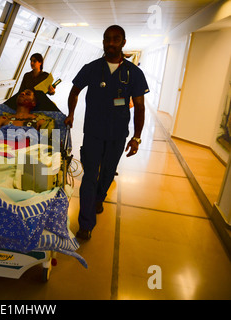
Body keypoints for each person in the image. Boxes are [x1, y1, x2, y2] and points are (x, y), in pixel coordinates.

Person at [64, 25, 149, 240]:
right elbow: (74, 91)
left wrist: (136, 137)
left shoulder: (134, 73)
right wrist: (71, 113)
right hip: (92, 131)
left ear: (123, 42)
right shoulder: (91, 68)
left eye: (115, 39)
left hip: (117, 134)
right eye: (107, 39)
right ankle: (86, 224)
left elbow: (139, 106)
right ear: (103, 42)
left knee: (108, 174)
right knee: (90, 176)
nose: (110, 43)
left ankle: (99, 198)